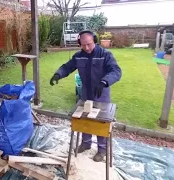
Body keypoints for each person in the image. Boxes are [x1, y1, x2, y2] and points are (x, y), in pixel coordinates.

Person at [49, 30, 122, 162]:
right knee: (84, 119)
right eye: (83, 45)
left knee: (101, 121)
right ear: (79, 44)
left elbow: (116, 71)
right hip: (85, 93)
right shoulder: (78, 56)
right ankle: (86, 143)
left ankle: (102, 149)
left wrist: (104, 82)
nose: (87, 48)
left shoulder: (105, 55)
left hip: (101, 92)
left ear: (95, 40)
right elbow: (67, 67)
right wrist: (58, 74)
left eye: (89, 44)